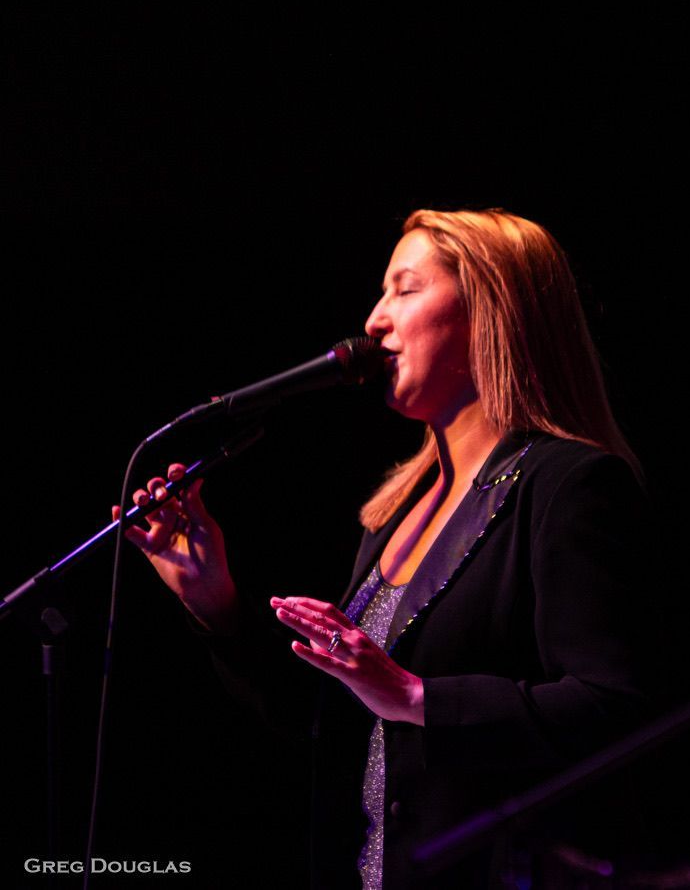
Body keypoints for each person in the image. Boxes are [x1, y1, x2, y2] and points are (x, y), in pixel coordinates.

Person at [115, 208, 656, 889]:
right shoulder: (395, 513)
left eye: (405, 288)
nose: (373, 319)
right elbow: (334, 722)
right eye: (381, 292)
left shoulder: (568, 486)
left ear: (491, 312)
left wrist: (418, 696)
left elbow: (612, 707)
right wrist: (216, 601)